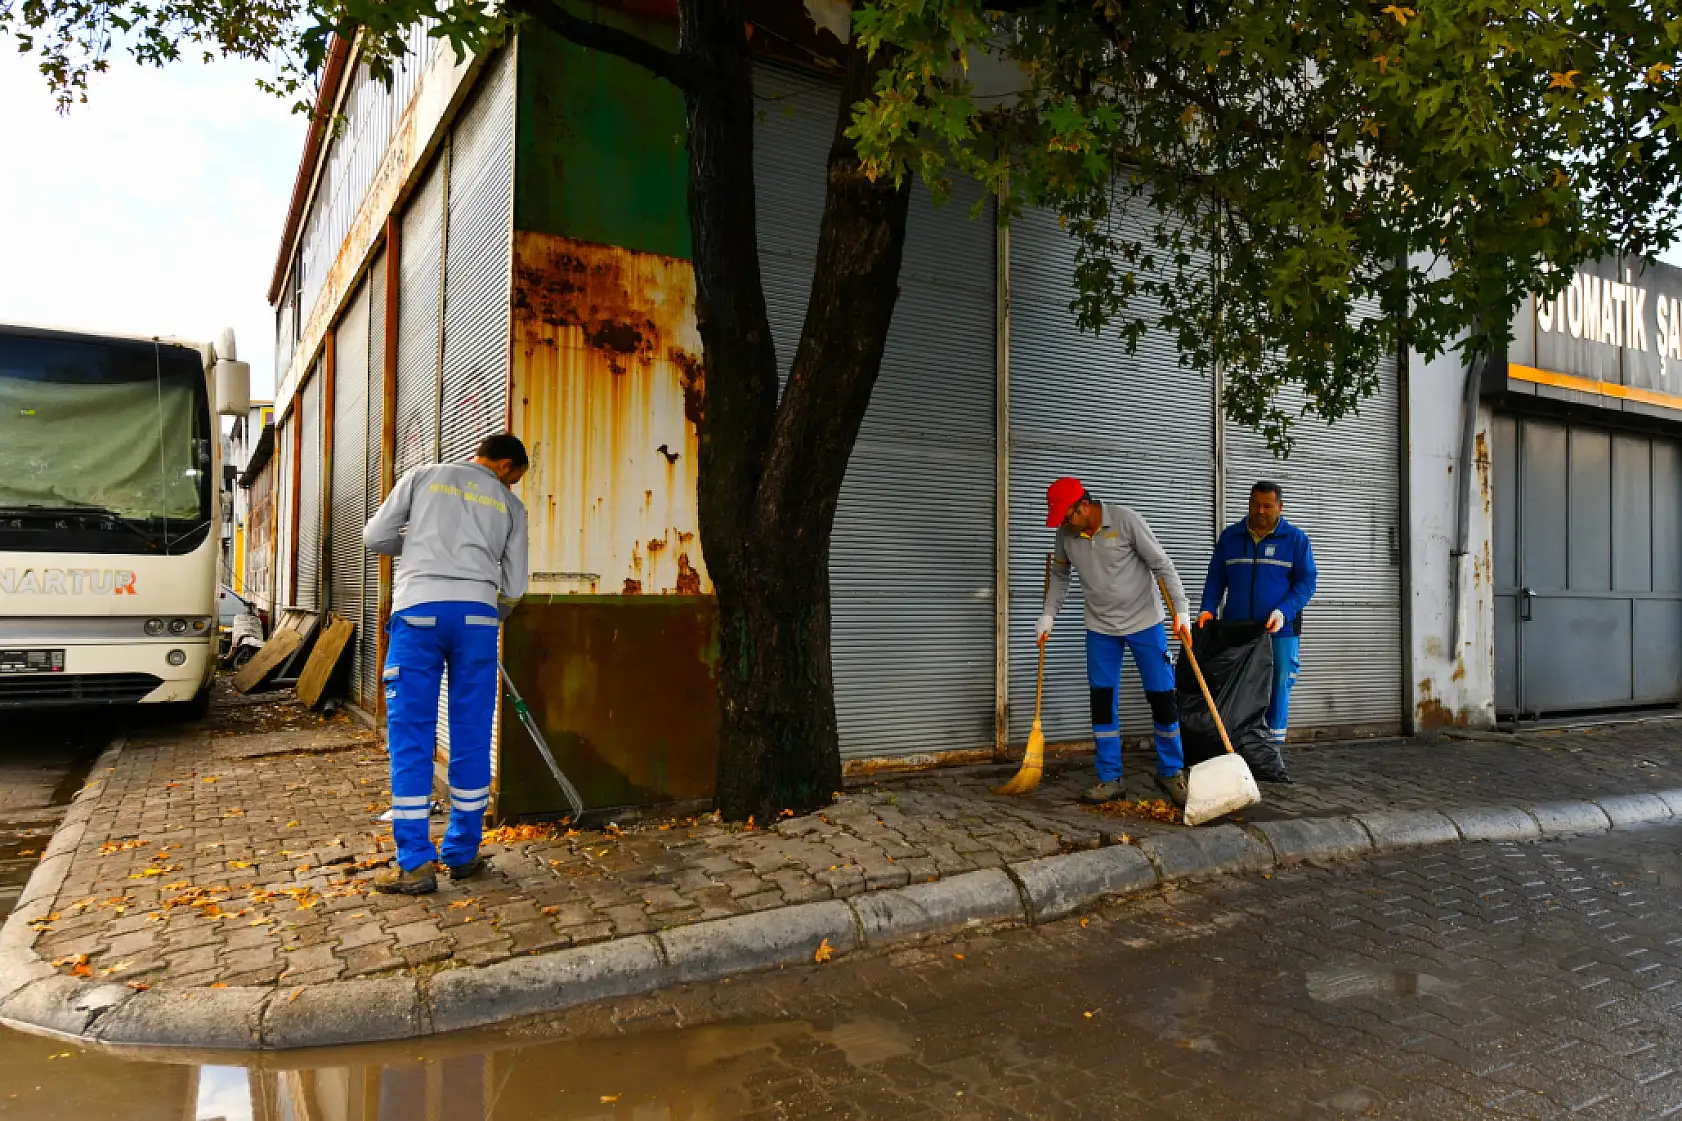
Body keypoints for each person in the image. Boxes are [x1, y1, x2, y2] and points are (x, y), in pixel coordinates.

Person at [363, 432, 530, 894]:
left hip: (417, 612)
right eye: (514, 477)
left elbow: (375, 537)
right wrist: (484, 611)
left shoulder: (423, 477)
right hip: (477, 617)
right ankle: (462, 852)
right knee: (472, 733)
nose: (511, 486)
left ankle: (415, 863)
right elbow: (514, 588)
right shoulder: (512, 509)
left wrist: (415, 546)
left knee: (412, 735)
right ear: (503, 466)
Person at [1038, 477, 1194, 807]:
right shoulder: (1066, 535)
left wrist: (1181, 610)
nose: (1063, 524)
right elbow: (1060, 575)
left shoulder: (1125, 520)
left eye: (1066, 516)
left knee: (1162, 696)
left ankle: (1171, 771)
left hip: (1145, 621)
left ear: (1082, 505)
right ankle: (1110, 777)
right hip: (1100, 627)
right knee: (1102, 700)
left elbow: (1162, 565)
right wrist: (1049, 615)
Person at [1198, 480, 1317, 762]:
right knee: (1237, 685)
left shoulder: (1296, 541)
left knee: (1278, 685)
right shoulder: (1230, 538)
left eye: (1267, 505)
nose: (1260, 511)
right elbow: (1216, 578)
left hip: (1280, 629)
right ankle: (1238, 746)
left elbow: (1306, 583)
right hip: (1237, 630)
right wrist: (1207, 609)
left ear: (1280, 507)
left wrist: (1283, 611)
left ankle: (1270, 751)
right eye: (1255, 504)